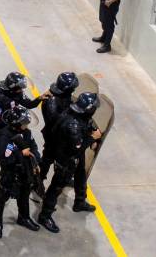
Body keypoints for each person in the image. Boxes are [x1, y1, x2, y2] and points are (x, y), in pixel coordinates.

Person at [38, 93, 102, 233]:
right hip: (66, 159)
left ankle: (80, 201)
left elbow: (85, 126)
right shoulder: (73, 125)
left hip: (74, 156)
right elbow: (76, 147)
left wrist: (90, 134)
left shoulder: (76, 114)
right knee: (56, 187)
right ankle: (45, 215)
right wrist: (92, 138)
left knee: (81, 175)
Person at [0, 72, 48, 198]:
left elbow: (28, 104)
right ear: (12, 88)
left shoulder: (17, 93)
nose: (21, 91)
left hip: (12, 130)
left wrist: (39, 98)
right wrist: (12, 125)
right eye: (20, 88)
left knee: (10, 160)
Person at [0, 105, 43, 239]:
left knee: (24, 195)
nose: (27, 125)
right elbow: (4, 157)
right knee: (2, 197)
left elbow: (33, 147)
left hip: (25, 171)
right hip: (10, 173)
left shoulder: (27, 133)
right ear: (17, 124)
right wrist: (21, 153)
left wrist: (36, 161)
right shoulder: (4, 136)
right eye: (24, 123)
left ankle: (23, 217)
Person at [39, 72, 80, 183]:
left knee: (65, 160)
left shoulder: (64, 96)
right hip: (53, 135)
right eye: (72, 88)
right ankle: (38, 179)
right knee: (48, 158)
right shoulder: (52, 101)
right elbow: (56, 121)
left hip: (61, 135)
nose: (73, 90)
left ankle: (65, 178)